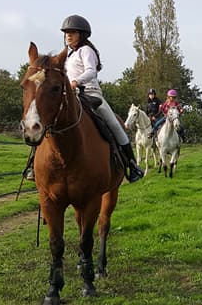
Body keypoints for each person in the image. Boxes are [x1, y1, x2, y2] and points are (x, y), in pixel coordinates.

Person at [58, 15, 143, 182]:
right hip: (71, 96)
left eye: (72, 32)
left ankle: (131, 164)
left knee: (114, 125)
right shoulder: (68, 56)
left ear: (82, 35)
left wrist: (76, 82)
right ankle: (33, 164)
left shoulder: (86, 51)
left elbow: (91, 71)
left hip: (90, 93)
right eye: (66, 32)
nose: (68, 35)